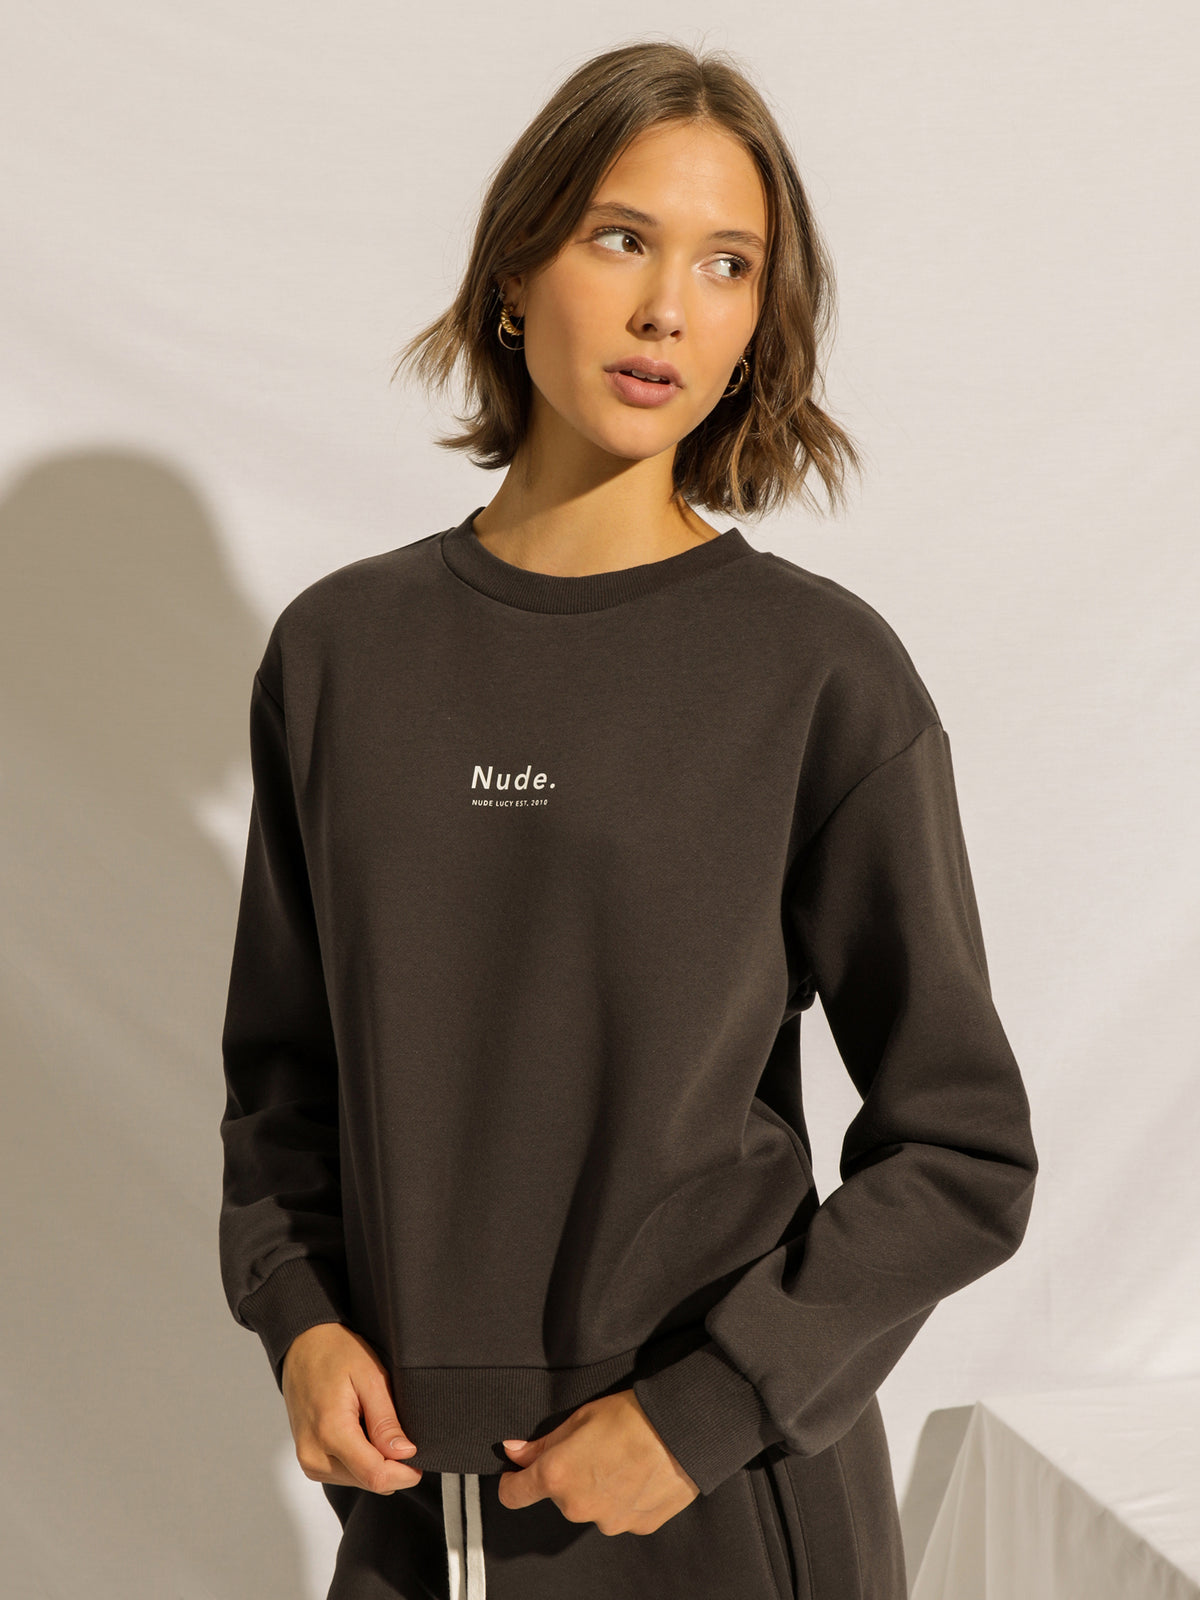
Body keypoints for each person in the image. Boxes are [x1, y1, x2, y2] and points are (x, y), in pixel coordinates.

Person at [218, 38, 1038, 1600]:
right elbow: (281, 1084)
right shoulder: (340, 658)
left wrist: (705, 1411)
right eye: (621, 238)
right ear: (513, 273)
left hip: (715, 1503)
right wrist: (299, 1318)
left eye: (729, 264)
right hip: (410, 1510)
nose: (671, 306)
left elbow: (961, 1148)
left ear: (758, 326)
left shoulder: (818, 673)